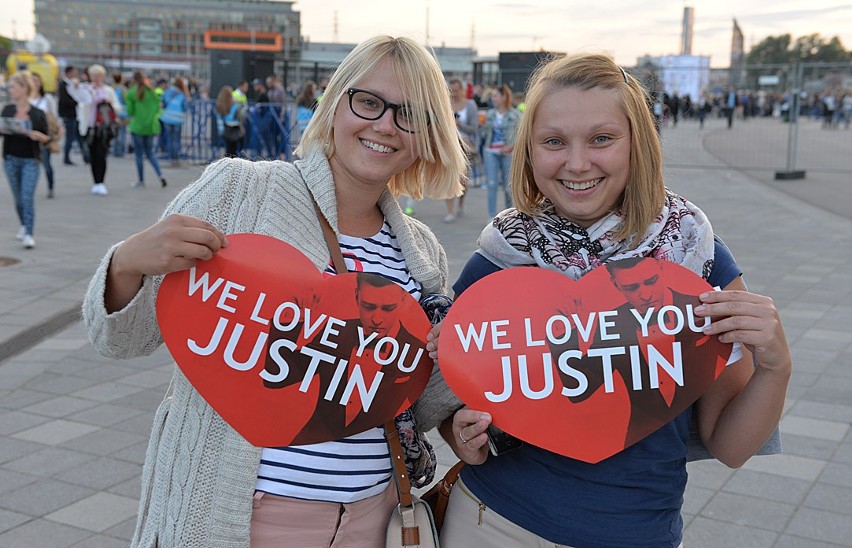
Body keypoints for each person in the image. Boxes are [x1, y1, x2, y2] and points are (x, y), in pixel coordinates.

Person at [82, 35, 465, 547]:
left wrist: (450, 368)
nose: (384, 125)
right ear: (334, 105)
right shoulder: (240, 193)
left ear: (427, 133)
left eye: (409, 113)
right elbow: (122, 339)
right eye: (369, 102)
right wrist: (126, 262)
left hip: (372, 517)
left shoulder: (421, 255)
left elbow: (407, 406)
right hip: (246, 516)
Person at [422, 53, 792, 547]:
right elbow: (452, 403)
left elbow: (731, 445)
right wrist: (459, 436)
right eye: (554, 142)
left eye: (602, 138)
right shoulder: (502, 257)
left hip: (636, 531)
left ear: (637, 144)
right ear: (529, 152)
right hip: (492, 524)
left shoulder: (692, 256)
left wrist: (776, 364)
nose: (577, 163)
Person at [262, 273, 430, 442]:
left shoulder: (418, 348)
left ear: (403, 300)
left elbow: (429, 412)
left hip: (377, 459)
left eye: (388, 308)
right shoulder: (336, 330)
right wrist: (291, 318)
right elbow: (277, 377)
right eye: (368, 306)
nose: (377, 319)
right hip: (308, 441)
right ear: (357, 297)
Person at [2, 71, 50, 249]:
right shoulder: (8, 109)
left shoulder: (37, 113)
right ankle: (23, 224)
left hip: (31, 160)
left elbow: (48, 138)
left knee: (27, 197)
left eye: (13, 86)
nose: (10, 90)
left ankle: (29, 233)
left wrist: (39, 136)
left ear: (23, 88)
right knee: (18, 198)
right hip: (10, 159)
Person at [77, 64, 122, 196]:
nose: (96, 78)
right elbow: (80, 103)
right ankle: (95, 182)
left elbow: (118, 107)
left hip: (104, 128)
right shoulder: (86, 89)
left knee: (101, 155)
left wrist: (109, 102)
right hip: (90, 126)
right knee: (92, 155)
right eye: (94, 75)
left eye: (99, 75)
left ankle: (101, 182)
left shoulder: (108, 90)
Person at [481, 83, 521, 217]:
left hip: (508, 152)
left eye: (496, 96)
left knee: (508, 186)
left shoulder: (515, 115)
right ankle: (491, 216)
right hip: (491, 151)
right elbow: (484, 134)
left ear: (504, 97)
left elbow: (521, 134)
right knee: (491, 184)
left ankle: (510, 216)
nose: (493, 99)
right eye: (492, 96)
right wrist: (482, 125)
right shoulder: (490, 114)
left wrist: (511, 146)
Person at [444, 77, 479, 223]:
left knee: (463, 181)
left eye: (457, 90)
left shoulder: (469, 105)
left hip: (465, 146)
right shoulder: (445, 104)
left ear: (462, 90)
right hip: (449, 145)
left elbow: (474, 128)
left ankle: (461, 203)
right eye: (452, 91)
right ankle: (450, 211)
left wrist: (460, 124)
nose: (454, 94)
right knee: (448, 178)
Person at [124, 71, 167, 189]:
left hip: (137, 126)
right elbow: (158, 107)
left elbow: (130, 111)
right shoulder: (152, 91)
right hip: (151, 126)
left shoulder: (131, 93)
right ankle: (160, 175)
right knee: (150, 153)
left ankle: (141, 180)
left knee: (138, 154)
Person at [30, 73, 58, 199]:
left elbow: (54, 116)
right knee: (30, 164)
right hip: (29, 136)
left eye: (37, 81)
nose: (35, 83)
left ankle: (51, 187)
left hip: (44, 136)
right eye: (32, 81)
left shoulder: (47, 98)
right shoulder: (25, 98)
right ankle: (28, 189)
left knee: (46, 164)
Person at [58, 65, 88, 165]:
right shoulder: (63, 85)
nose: (76, 74)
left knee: (78, 136)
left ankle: (86, 156)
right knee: (70, 137)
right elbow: (65, 100)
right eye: (74, 72)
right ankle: (67, 157)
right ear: (69, 72)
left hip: (74, 114)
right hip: (69, 114)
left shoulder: (70, 84)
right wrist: (77, 102)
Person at [160, 76, 190, 166]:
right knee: (176, 139)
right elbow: (185, 107)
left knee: (169, 138)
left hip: (167, 118)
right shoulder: (183, 94)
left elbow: (163, 103)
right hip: (178, 119)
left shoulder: (167, 92)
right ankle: (176, 158)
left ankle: (170, 157)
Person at [214, 85, 243, 158]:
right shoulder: (234, 104)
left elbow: (219, 118)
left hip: (226, 128)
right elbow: (240, 116)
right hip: (235, 127)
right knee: (235, 149)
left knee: (228, 149)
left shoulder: (220, 104)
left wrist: (221, 130)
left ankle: (228, 163)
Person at [111, 72, 129, 157]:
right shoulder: (123, 89)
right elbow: (127, 101)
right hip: (122, 113)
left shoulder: (111, 88)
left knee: (115, 133)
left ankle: (114, 150)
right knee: (122, 132)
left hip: (113, 113)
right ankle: (120, 151)